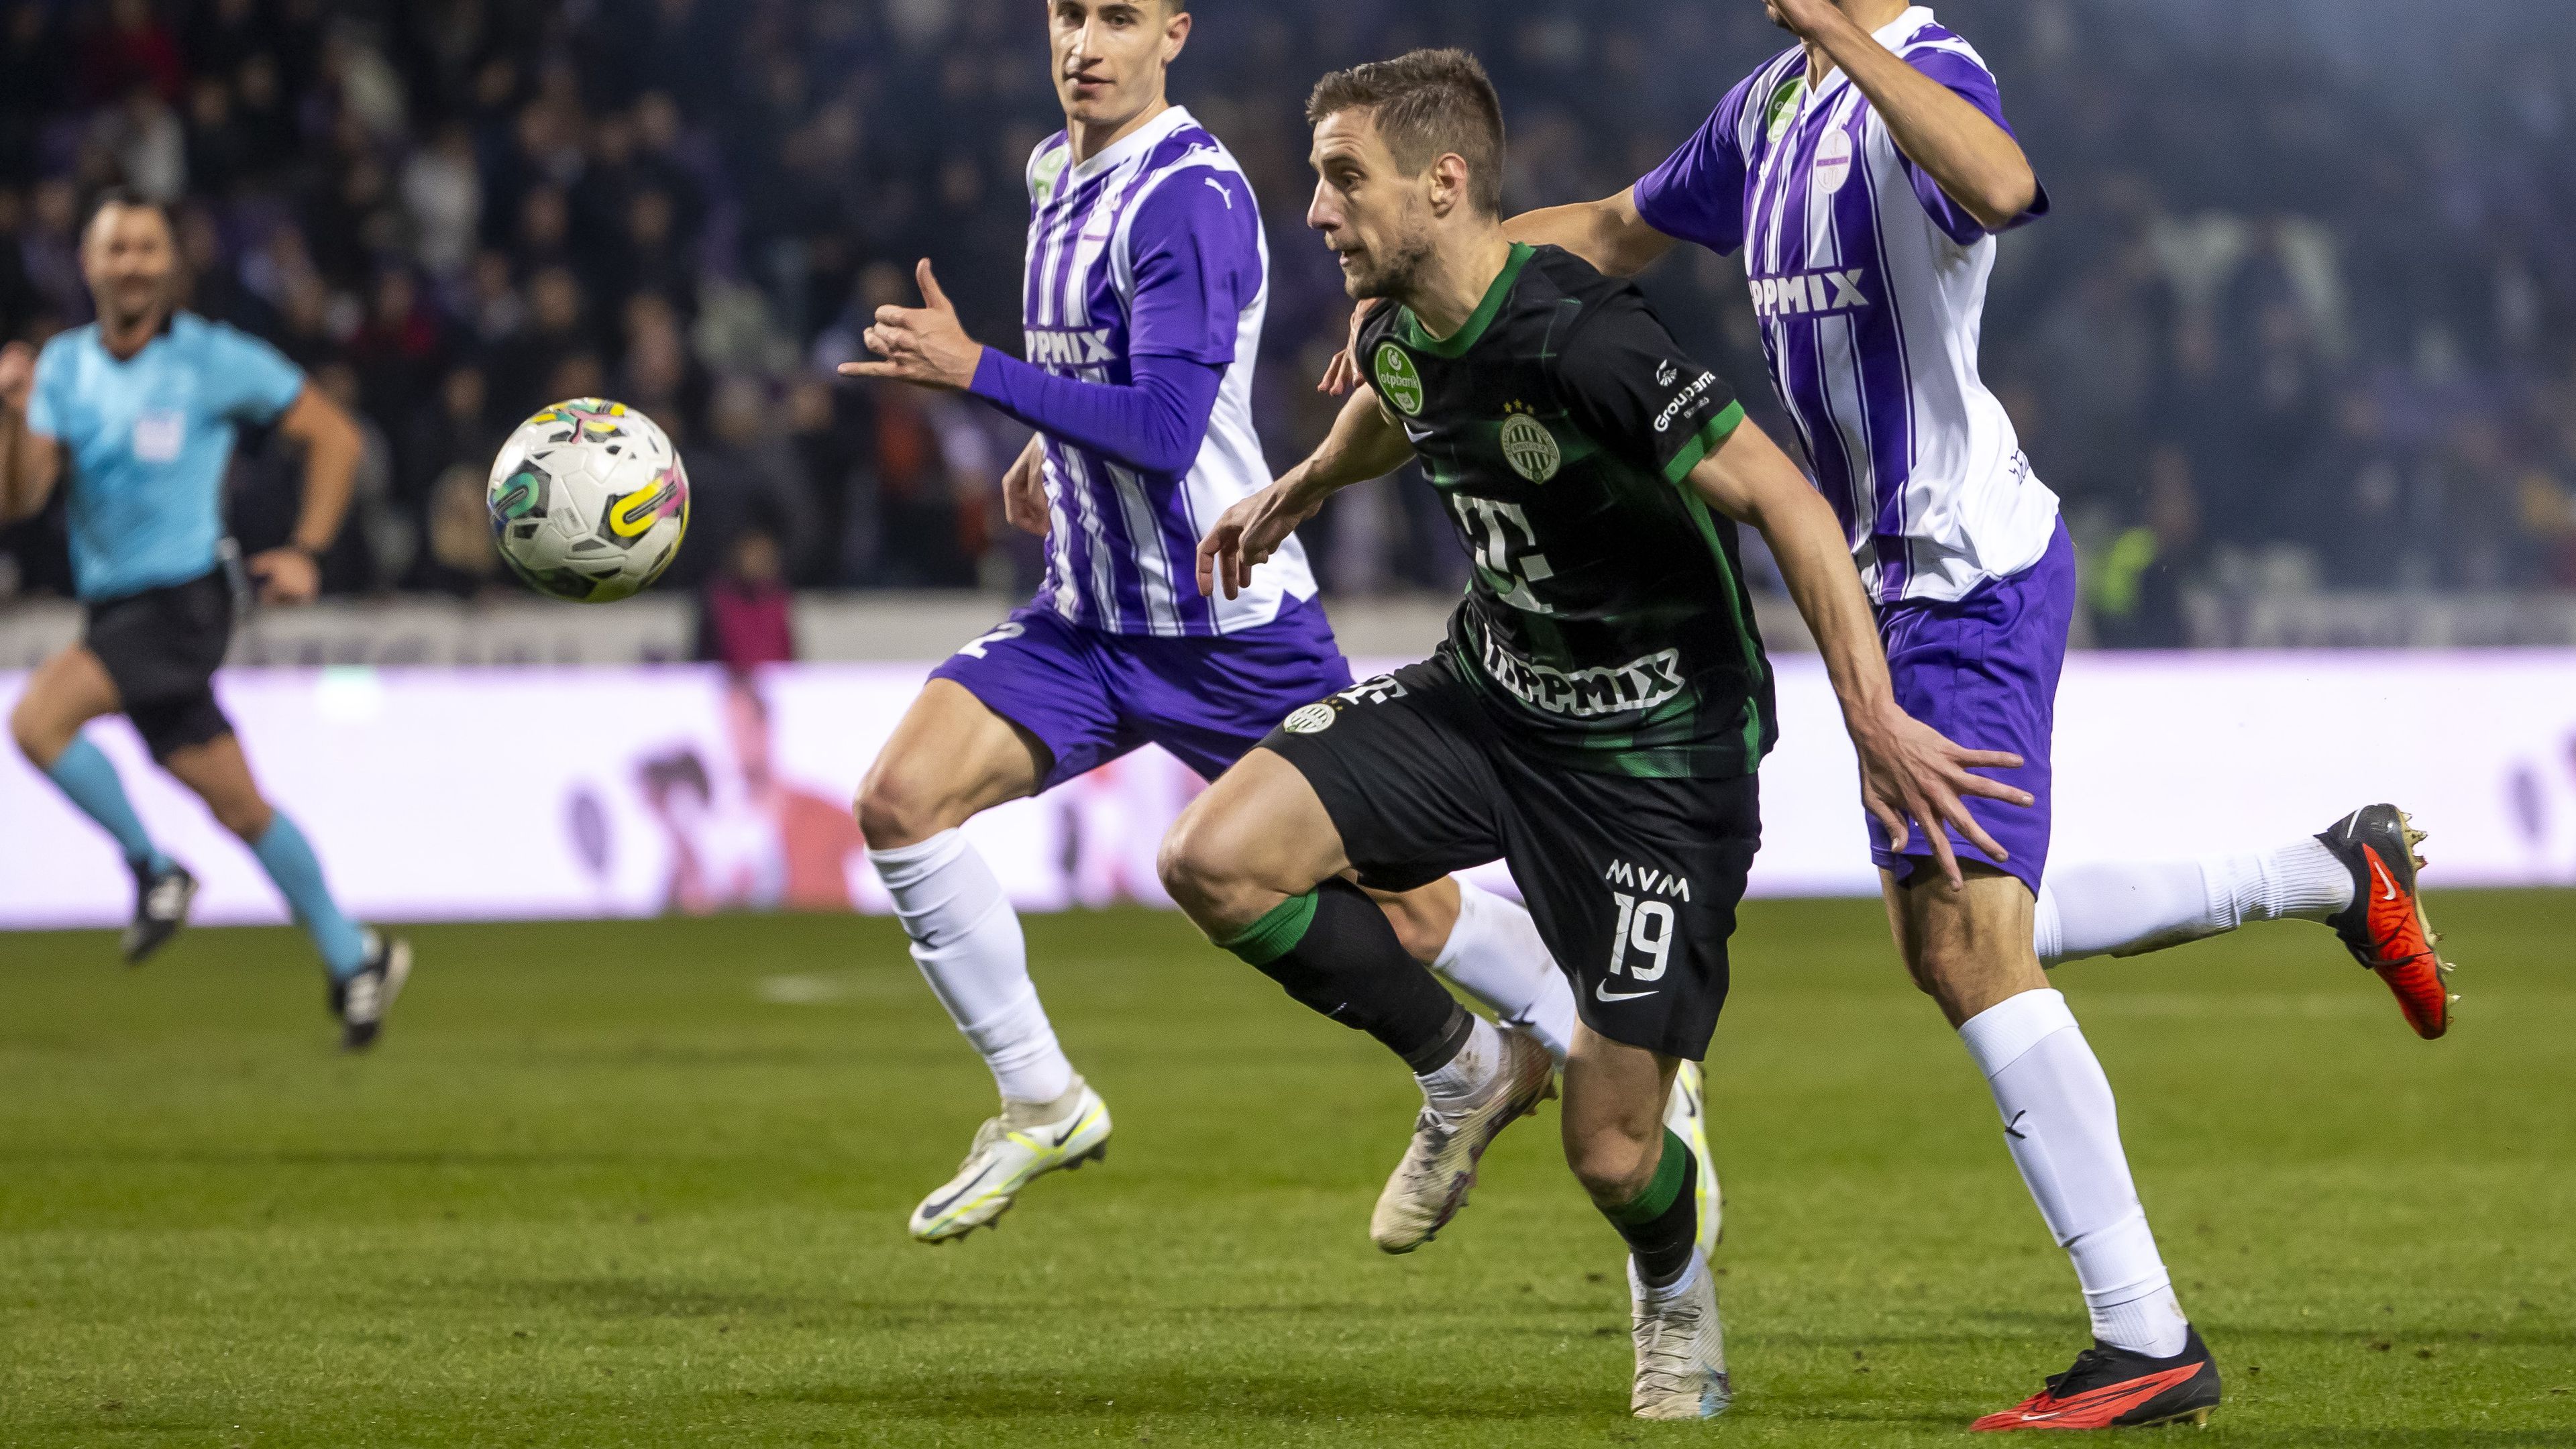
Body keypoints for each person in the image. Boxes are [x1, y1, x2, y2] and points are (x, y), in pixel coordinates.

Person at [1302, 0, 2455, 1428]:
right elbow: (1606, 224)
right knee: (1957, 929)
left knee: (1972, 947)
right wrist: (1428, 285)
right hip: (1891, 581)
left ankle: (2146, 1335)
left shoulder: (1918, 71)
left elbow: (2003, 186)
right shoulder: (1767, 109)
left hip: (1961, 566)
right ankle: (2338, 871)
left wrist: (1848, 37)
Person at [1167, 48, 2027, 1420]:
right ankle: (1467, 1067)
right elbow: (1399, 403)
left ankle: (1675, 1288)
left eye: (1343, 180)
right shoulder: (1393, 322)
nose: (1316, 212)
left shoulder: (1585, 338)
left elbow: (1791, 504)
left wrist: (1872, 719)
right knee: (1216, 860)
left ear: (1444, 185)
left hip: (1654, 769)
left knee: (1616, 1157)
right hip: (1490, 700)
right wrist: (1302, 485)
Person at [837, 0, 1690, 1248]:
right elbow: (1108, 368)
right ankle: (1040, 1095)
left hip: (1225, 622)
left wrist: (981, 376)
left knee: (1399, 907)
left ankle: (1583, 1037)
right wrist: (1037, 443)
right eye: (1068, 14)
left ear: (1172, 33)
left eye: (1117, 18)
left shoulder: (1190, 196)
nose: (1084, 42)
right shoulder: (1050, 170)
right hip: (1088, 616)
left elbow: (1172, 428)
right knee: (898, 804)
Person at [0, 191, 413, 1051]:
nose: (133, 264)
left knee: (37, 721)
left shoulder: (214, 360)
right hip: (116, 606)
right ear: (88, 264)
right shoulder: (64, 369)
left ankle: (155, 872)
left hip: (183, 601)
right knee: (241, 804)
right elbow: (23, 498)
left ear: (171, 263)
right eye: (117, 249)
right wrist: (9, 417)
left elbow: (334, 435)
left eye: (148, 248)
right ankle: (355, 955)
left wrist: (307, 548)